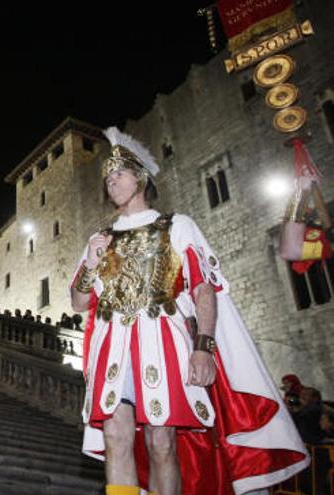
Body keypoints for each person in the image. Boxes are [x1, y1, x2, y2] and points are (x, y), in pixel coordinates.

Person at [70, 127, 308, 495]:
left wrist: (204, 347)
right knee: (116, 434)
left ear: (141, 178)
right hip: (111, 342)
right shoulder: (100, 238)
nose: (111, 181)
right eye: (107, 177)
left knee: (160, 438)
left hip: (162, 336)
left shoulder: (177, 226)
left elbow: (203, 289)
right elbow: (80, 302)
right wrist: (89, 264)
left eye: (119, 174)